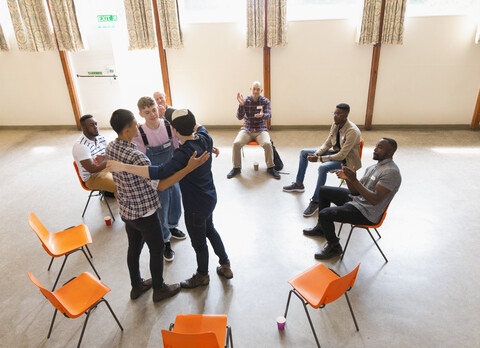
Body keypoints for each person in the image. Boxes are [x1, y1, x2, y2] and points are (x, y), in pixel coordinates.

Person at [108, 109, 233, 289]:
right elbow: (197, 125)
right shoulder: (205, 136)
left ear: (174, 130)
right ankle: (225, 263)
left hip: (194, 207)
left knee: (199, 244)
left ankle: (202, 275)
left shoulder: (183, 154)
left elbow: (159, 173)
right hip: (209, 198)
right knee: (210, 230)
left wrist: (123, 167)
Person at [303, 138, 401, 260]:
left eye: (380, 147)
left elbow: (374, 200)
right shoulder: (373, 167)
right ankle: (322, 228)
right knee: (323, 190)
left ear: (390, 152)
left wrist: (354, 180)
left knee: (325, 214)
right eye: (375, 146)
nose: (375, 149)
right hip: (358, 201)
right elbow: (355, 191)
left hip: (366, 212)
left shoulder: (391, 172)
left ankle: (334, 247)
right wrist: (348, 179)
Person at [283, 103, 362, 217]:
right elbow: (328, 143)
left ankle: (316, 200)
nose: (335, 116)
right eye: (334, 113)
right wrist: (316, 153)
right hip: (335, 153)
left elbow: (342, 155)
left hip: (347, 160)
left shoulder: (352, 131)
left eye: (338, 114)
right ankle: (299, 184)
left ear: (346, 115)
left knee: (323, 167)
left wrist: (319, 159)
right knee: (304, 152)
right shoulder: (335, 125)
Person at [132, 97, 186, 263]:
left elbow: (177, 147)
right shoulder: (140, 134)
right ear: (141, 114)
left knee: (176, 202)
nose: (152, 114)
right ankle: (165, 240)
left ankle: (172, 227)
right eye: (147, 112)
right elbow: (141, 159)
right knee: (161, 209)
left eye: (154, 110)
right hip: (156, 178)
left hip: (172, 172)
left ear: (158, 108)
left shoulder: (168, 126)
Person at [228, 81, 280, 179]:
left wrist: (263, 115)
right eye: (254, 89)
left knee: (268, 144)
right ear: (251, 89)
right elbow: (239, 117)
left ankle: (271, 167)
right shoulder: (246, 101)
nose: (256, 91)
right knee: (236, 143)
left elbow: (269, 115)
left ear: (261, 90)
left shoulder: (265, 101)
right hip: (247, 129)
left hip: (261, 130)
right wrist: (241, 105)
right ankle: (236, 168)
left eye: (258, 89)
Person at [72, 115, 117, 197]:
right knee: (120, 186)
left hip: (105, 168)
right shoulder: (81, 146)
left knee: (128, 175)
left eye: (96, 124)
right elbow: (91, 169)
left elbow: (109, 153)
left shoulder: (100, 137)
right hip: (93, 177)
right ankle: (125, 209)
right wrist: (110, 160)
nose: (95, 127)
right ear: (83, 128)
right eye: (91, 125)